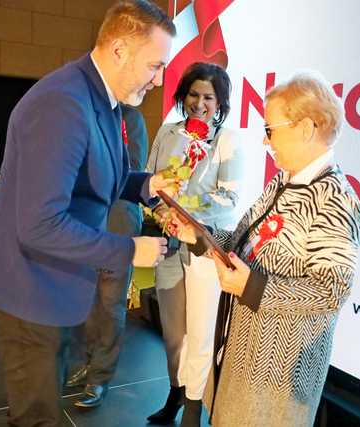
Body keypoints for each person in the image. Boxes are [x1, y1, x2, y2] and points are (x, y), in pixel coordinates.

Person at [0, 2, 176, 426]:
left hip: (52, 287)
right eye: (155, 66)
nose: (159, 80)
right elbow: (40, 225)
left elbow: (98, 175)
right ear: (118, 50)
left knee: (39, 404)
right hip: (28, 290)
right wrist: (128, 250)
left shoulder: (101, 98)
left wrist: (145, 185)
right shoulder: (63, 104)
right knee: (37, 416)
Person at [169, 71, 360, 427]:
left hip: (278, 381)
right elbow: (244, 243)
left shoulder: (336, 199)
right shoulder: (285, 181)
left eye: (271, 130)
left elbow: (331, 290)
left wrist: (252, 287)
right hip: (244, 361)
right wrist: (199, 235)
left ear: (305, 129)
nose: (265, 141)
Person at [145, 62, 243, 426]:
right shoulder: (167, 133)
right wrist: (162, 213)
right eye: (193, 95)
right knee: (173, 332)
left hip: (204, 248)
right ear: (182, 97)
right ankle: (174, 394)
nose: (199, 103)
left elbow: (230, 200)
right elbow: (149, 182)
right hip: (168, 244)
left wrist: (188, 212)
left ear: (219, 103)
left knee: (200, 332)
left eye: (208, 97)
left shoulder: (226, 140)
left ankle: (191, 410)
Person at [65, 104, 149, 407]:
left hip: (117, 223)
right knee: (84, 299)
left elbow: (134, 172)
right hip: (84, 224)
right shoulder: (85, 113)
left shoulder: (131, 119)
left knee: (111, 305)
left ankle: (99, 378)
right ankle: (83, 364)